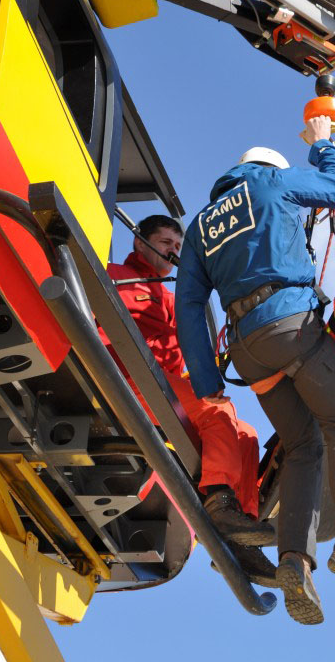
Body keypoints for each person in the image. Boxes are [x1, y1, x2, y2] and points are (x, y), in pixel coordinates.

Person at [175, 118, 335, 625]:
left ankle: (294, 562)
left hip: (248, 351)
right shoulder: (272, 182)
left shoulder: (200, 226)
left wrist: (208, 383)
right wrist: (323, 143)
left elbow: (188, 306)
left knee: (303, 446)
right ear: (270, 167)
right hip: (290, 327)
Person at [100, 214, 276, 587]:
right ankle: (219, 500)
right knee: (216, 411)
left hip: (164, 383)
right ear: (140, 242)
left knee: (245, 433)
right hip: (130, 373)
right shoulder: (115, 275)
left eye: (178, 246)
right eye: (166, 242)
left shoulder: (173, 294)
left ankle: (242, 533)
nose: (173, 251)